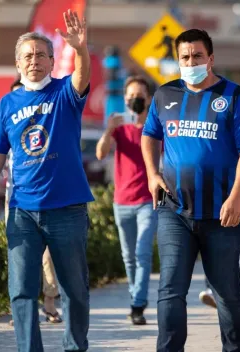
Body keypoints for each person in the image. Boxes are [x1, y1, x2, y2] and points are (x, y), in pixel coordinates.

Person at [0, 10, 93, 352]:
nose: (34, 60)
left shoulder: (64, 94)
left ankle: (74, 347)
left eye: (41, 54)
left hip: (67, 210)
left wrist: (81, 50)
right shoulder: (7, 104)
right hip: (22, 212)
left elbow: (82, 77)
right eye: (27, 56)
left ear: (53, 60)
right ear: (17, 63)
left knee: (75, 289)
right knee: (21, 291)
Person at [141, 29, 240, 352]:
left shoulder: (234, 97)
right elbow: (149, 135)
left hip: (223, 213)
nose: (190, 62)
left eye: (197, 56)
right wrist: (152, 174)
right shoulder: (164, 95)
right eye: (184, 57)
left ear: (210, 59)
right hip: (174, 211)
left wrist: (236, 198)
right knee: (170, 289)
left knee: (227, 292)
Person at [0, 79, 63, 327]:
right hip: (15, 200)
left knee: (48, 255)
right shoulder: (6, 120)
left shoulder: (44, 126)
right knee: (19, 256)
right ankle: (19, 307)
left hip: (48, 199)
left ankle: (49, 301)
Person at [96, 75, 157, 325]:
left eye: (139, 97)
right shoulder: (120, 129)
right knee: (128, 256)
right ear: (125, 99)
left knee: (142, 253)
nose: (135, 101)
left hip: (147, 201)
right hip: (122, 201)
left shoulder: (155, 128)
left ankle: (138, 303)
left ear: (149, 99)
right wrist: (109, 130)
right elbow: (100, 154)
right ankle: (135, 295)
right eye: (130, 97)